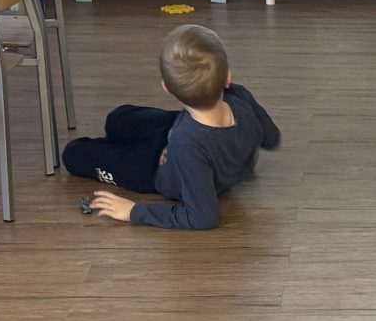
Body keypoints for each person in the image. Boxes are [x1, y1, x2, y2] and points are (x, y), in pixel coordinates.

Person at [65, 24, 279, 230]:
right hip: (176, 128)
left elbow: (203, 217)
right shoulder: (239, 95)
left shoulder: (187, 143)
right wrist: (241, 150)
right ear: (227, 78)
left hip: (151, 170)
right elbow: (271, 137)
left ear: (167, 88)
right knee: (118, 118)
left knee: (73, 154)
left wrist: (134, 212)